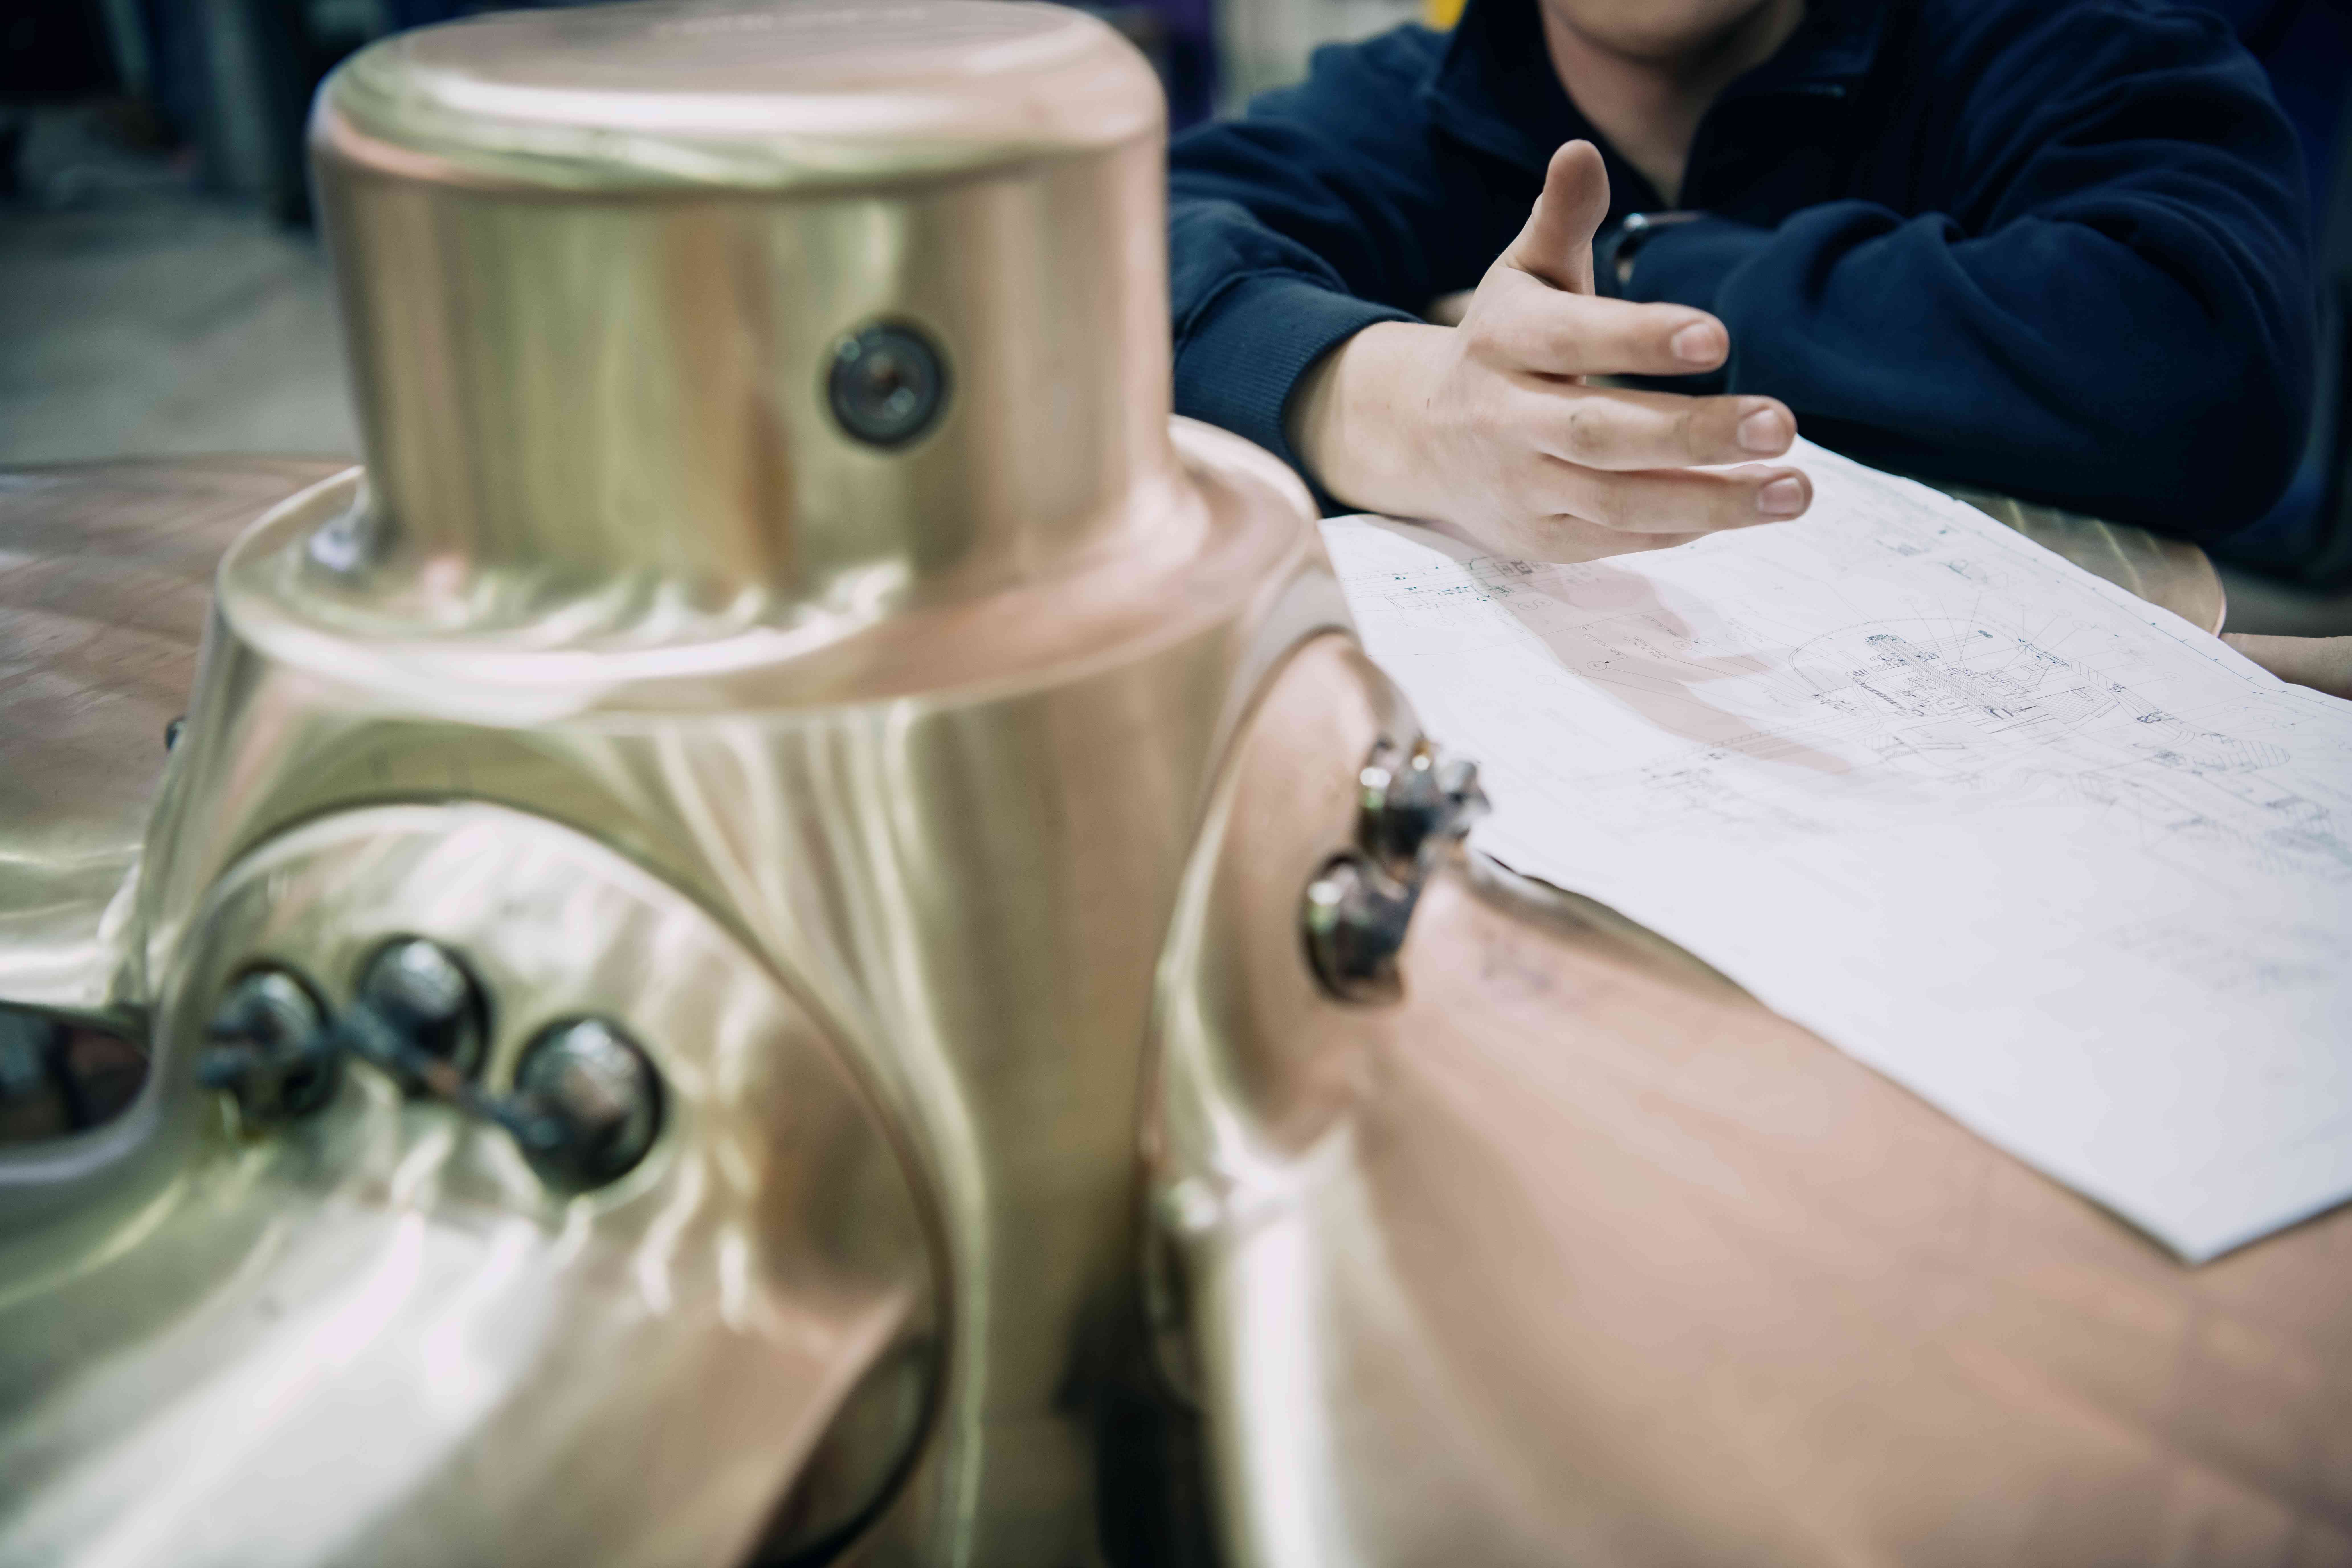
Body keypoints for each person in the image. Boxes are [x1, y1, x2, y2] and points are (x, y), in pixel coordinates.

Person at [1167, 0, 2316, 564]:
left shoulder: (2047, 33)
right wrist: (1389, 400)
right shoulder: (1414, 101)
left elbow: (2205, 354)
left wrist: (1636, 278)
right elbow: (1095, 269)